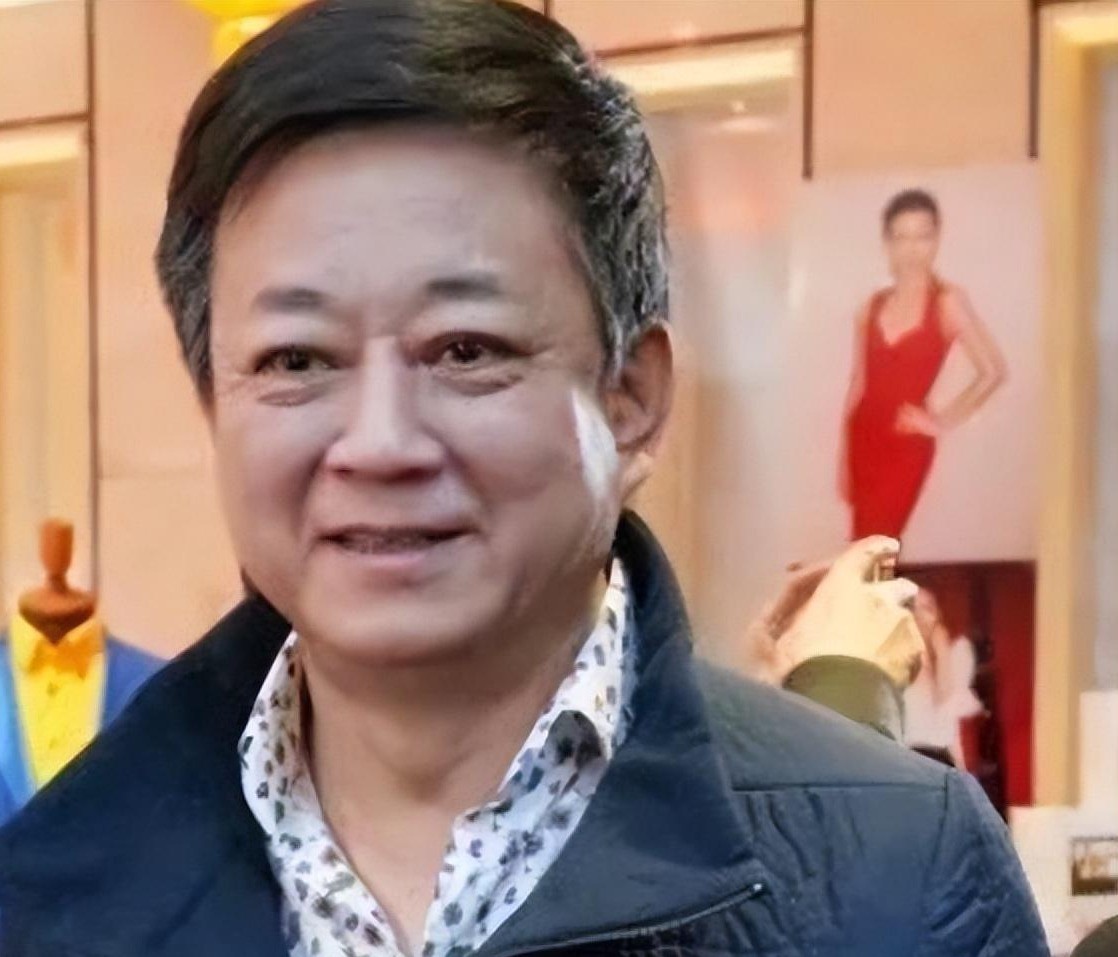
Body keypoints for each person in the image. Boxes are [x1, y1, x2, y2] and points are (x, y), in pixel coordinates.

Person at [0, 2, 1047, 955]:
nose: (380, 443)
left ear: (631, 398)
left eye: (466, 350)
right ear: (213, 405)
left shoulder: (901, 875)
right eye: (297, 360)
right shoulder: (56, 889)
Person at [839, 189, 1008, 540]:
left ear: (936, 240)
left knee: (874, 546)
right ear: (887, 244)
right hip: (863, 438)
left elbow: (993, 372)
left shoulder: (947, 303)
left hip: (905, 446)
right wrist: (843, 458)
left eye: (923, 236)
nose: (912, 249)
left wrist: (941, 421)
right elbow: (858, 384)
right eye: (901, 237)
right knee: (864, 545)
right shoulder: (870, 307)